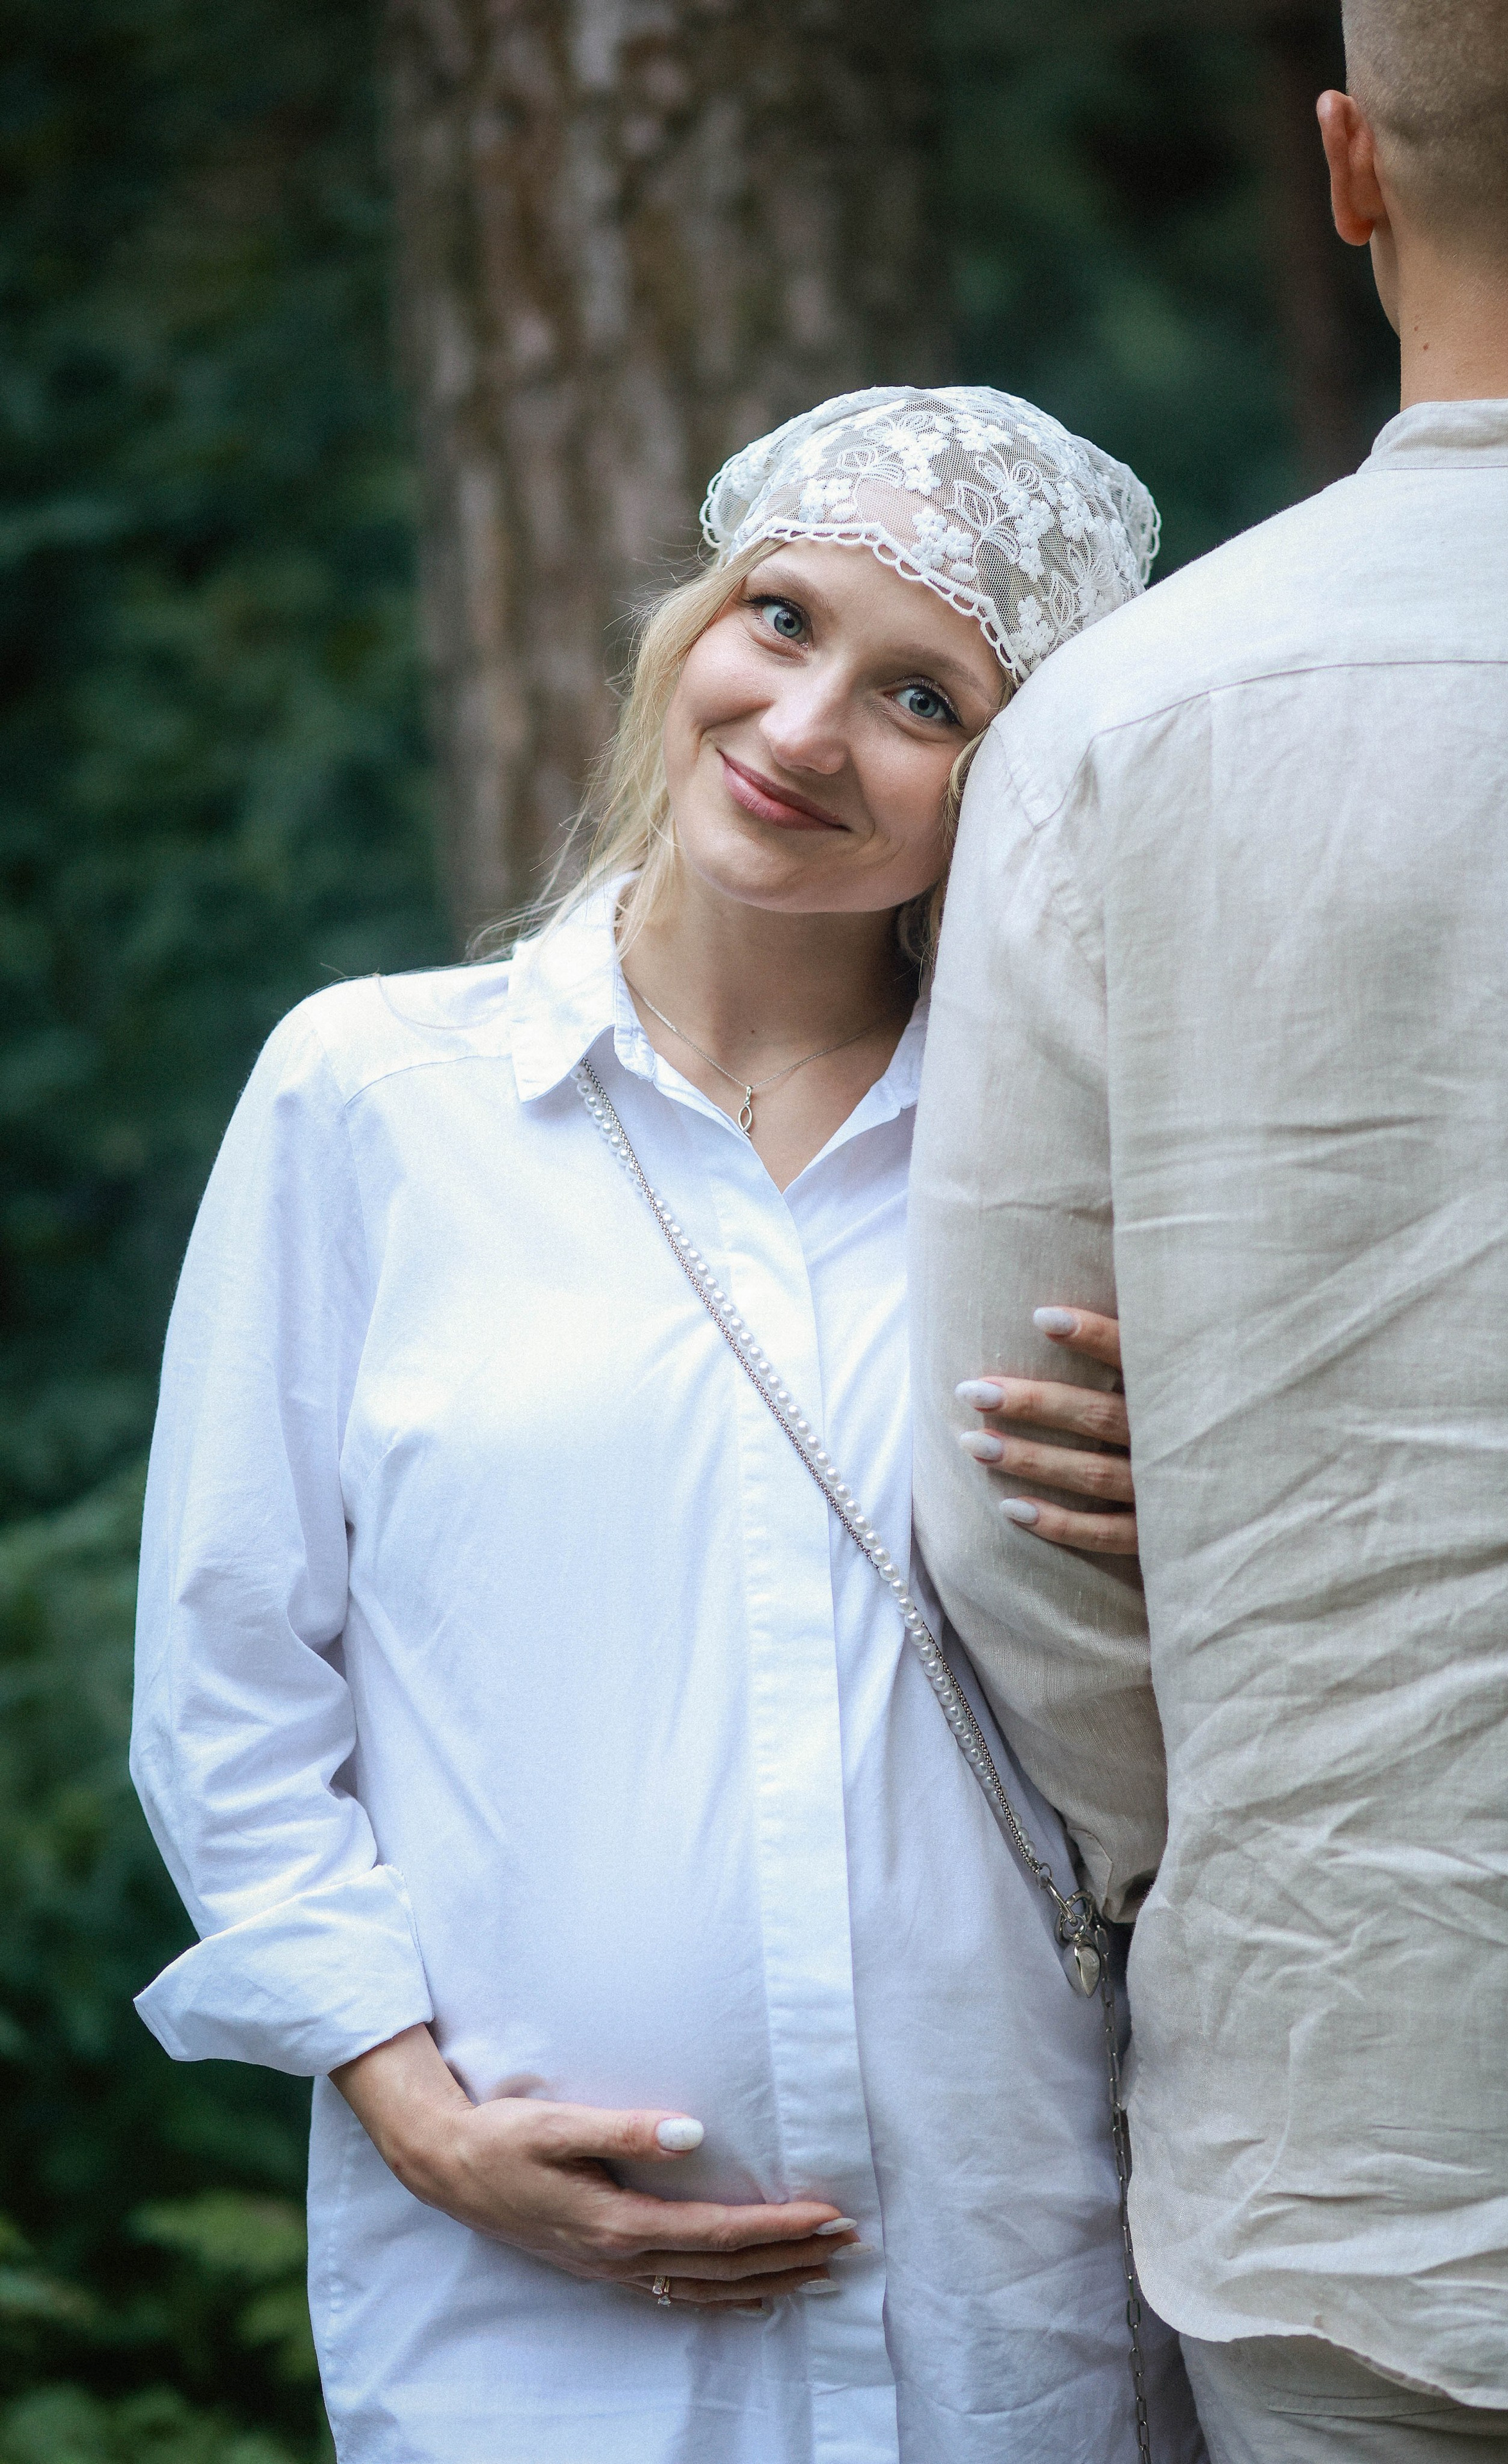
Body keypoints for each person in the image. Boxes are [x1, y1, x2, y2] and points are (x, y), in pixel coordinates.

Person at [128, 386, 1207, 2464]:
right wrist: (410, 2112)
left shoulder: (1074, 1172)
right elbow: (231, 1676)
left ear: (1013, 786)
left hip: (1010, 2268)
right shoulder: (376, 1101)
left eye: (924, 697)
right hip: (530, 2315)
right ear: (691, 620)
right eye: (779, 618)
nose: (804, 729)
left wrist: (1207, 1519)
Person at [910, 6, 1508, 2461]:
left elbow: (1010, 1514)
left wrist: (1237, 1830)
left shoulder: (1130, 723)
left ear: (1350, 169)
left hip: (1375, 2138)